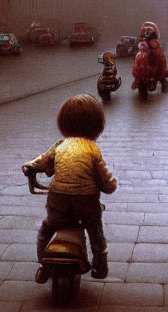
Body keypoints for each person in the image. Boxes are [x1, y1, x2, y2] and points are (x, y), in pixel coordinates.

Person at [23, 94, 117, 282]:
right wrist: (111, 186)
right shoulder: (92, 149)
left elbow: (43, 160)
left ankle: (43, 265)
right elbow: (104, 179)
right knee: (95, 232)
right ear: (96, 124)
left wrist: (30, 166)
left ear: (63, 123)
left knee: (47, 228)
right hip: (86, 199)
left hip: (58, 197)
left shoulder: (60, 145)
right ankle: (100, 266)